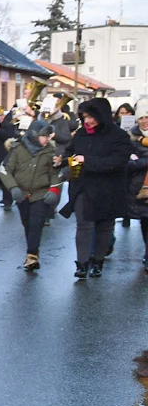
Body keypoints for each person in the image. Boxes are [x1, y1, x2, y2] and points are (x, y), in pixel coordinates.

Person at [57, 97, 131, 279]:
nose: (87, 121)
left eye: (91, 116)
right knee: (84, 226)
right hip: (84, 187)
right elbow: (70, 152)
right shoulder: (82, 133)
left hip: (109, 189)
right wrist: (62, 161)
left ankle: (98, 262)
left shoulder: (118, 136)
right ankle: (82, 263)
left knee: (105, 227)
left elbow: (118, 161)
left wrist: (87, 161)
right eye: (84, 117)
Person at [0, 122, 62, 270]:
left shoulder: (50, 151)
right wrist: (13, 188)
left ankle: (32, 255)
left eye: (48, 136)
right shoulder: (17, 149)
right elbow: (5, 169)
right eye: (44, 136)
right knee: (27, 222)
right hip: (21, 193)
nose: (47, 139)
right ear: (34, 134)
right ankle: (32, 251)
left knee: (36, 223)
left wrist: (54, 190)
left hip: (40, 193)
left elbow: (56, 173)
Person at [125, 104, 148, 272]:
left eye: (147, 117)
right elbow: (128, 162)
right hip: (140, 187)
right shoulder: (131, 137)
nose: (145, 121)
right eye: (141, 117)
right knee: (145, 221)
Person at [0, 107, 19, 211]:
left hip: (4, 154)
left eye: (0, 116)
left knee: (5, 178)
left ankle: (8, 200)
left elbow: (8, 136)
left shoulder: (9, 125)